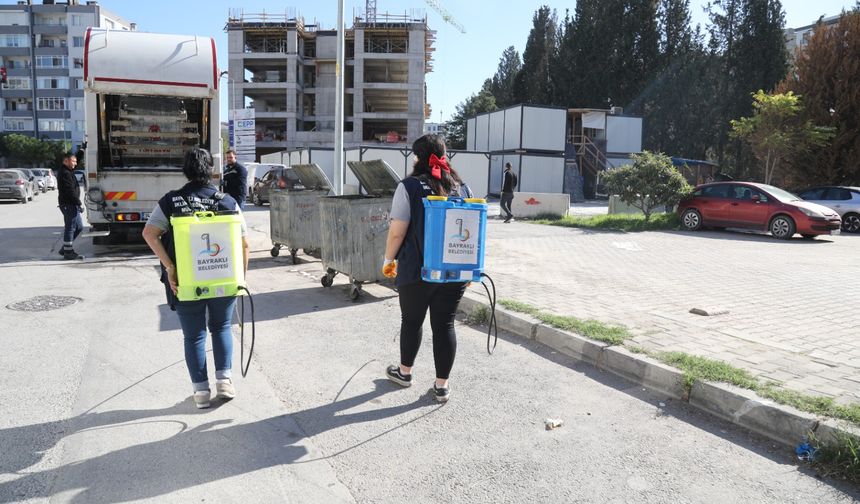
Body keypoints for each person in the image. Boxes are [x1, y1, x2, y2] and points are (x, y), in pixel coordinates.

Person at [142, 148, 250, 409]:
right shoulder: (227, 202)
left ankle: (201, 393)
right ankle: (225, 382)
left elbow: (149, 233)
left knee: (194, 336)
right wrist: (241, 279)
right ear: (211, 170)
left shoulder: (171, 201)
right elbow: (244, 245)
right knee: (222, 328)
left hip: (186, 283)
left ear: (186, 171)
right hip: (223, 279)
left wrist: (169, 267)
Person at [382, 134, 473, 403]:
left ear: (417, 158)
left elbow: (397, 232)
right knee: (445, 324)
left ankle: (404, 373)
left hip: (416, 270)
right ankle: (441, 386)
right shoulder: (462, 187)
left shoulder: (408, 186)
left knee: (412, 320)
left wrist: (388, 260)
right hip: (455, 269)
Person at [57, 153, 84, 260]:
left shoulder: (69, 170)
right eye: (73, 161)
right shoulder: (65, 173)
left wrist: (81, 151)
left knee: (79, 227)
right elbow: (70, 190)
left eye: (76, 161)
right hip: (69, 204)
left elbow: (75, 160)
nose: (75, 164)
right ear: (66, 161)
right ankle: (68, 252)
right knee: (70, 228)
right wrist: (78, 203)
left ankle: (65, 248)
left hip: (71, 204)